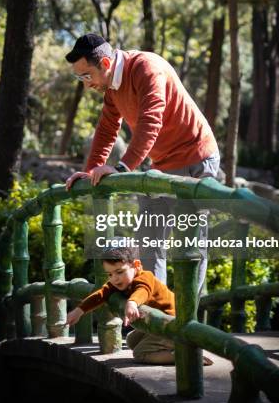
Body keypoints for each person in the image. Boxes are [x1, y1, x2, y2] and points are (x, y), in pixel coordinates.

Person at [65, 33, 220, 288]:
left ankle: (185, 319)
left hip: (196, 159)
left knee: (189, 244)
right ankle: (155, 314)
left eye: (86, 76)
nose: (85, 84)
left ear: (105, 64)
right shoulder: (112, 89)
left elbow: (151, 121)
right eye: (79, 78)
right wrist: (90, 170)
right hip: (161, 166)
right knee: (148, 242)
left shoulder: (147, 67)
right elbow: (106, 130)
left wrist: (121, 168)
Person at [65, 245, 213, 365]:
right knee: (131, 340)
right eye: (110, 274)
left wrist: (132, 302)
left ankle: (186, 357)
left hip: (173, 324)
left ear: (136, 265)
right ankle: (175, 347)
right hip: (158, 323)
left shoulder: (145, 277)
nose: (115, 279)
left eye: (119, 272)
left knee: (140, 353)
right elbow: (101, 294)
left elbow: (143, 290)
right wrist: (79, 310)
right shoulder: (118, 283)